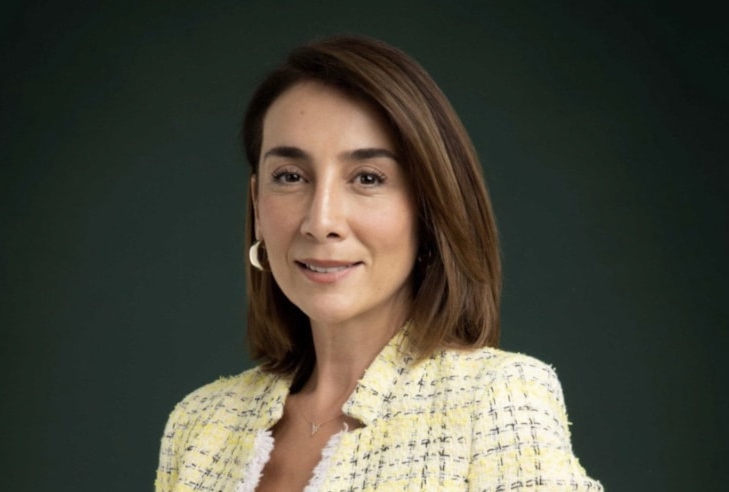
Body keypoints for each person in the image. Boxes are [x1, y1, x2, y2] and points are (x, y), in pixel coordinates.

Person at [155, 35, 603, 491]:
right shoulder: (200, 424)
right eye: (290, 176)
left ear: (429, 207)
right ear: (256, 204)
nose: (321, 222)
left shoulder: (497, 400)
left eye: (368, 178)